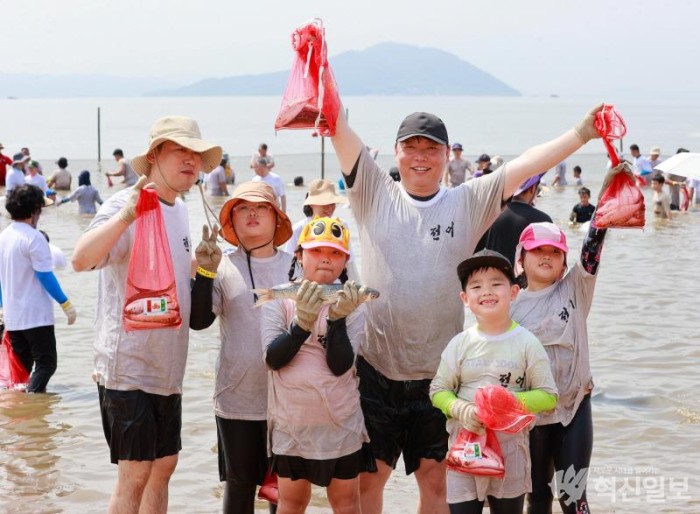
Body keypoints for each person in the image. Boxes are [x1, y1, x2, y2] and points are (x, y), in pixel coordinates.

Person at [329, 101, 603, 513]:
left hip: (443, 375)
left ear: (446, 156)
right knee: (370, 483)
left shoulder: (467, 201)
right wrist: (322, 77)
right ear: (395, 152)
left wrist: (581, 134)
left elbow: (525, 164)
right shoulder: (374, 191)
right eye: (412, 148)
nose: (421, 157)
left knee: (437, 486)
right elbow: (340, 132)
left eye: (431, 149)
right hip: (376, 369)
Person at [71, 116, 222, 513]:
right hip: (127, 365)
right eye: (180, 151)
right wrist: (126, 217)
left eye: (196, 154)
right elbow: (81, 260)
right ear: (154, 156)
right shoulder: (127, 202)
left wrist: (203, 269)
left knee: (164, 465)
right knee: (135, 471)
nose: (190, 161)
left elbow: (173, 278)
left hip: (167, 368)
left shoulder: (182, 210)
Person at [190, 181, 293, 514]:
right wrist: (204, 272)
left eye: (261, 207)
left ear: (277, 218)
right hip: (236, 400)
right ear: (230, 222)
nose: (251, 212)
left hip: (290, 401)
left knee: (285, 490)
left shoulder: (297, 266)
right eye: (242, 208)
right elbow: (199, 320)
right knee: (239, 486)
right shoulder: (221, 264)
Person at [430, 249, 557, 514]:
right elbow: (438, 390)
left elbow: (548, 396)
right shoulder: (460, 344)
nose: (486, 291)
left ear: (513, 292)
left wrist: (508, 401)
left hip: (511, 454)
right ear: (465, 298)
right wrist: (462, 409)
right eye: (476, 286)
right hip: (465, 448)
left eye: (496, 283)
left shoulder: (527, 343)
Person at [509, 207, 618, 513]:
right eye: (538, 250)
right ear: (521, 258)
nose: (546, 256)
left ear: (563, 263)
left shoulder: (575, 288)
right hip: (530, 416)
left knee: (572, 495)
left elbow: (592, 249)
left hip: (574, 408)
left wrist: (603, 210)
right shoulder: (509, 305)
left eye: (555, 252)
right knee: (538, 496)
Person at [261, 216, 370, 513]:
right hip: (291, 424)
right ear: (299, 255)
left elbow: (341, 366)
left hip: (341, 423)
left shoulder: (352, 302)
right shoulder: (279, 298)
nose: (326, 259)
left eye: (335, 253)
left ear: (345, 261)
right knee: (291, 503)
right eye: (317, 251)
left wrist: (336, 319)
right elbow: (273, 359)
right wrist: (302, 323)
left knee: (347, 503)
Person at [0, 184, 76, 393]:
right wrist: (65, 303)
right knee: (46, 364)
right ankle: (32, 401)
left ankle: (21, 411)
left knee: (22, 368)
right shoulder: (34, 238)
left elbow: (1, 278)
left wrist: (1, 307)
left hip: (13, 317)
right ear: (34, 210)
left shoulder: (4, 236)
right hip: (35, 316)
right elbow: (44, 275)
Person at [282, 178, 359, 281]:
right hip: (305, 288)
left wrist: (355, 289)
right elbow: (288, 266)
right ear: (310, 204)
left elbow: (350, 264)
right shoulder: (297, 230)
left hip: (336, 287)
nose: (330, 208)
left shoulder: (341, 226)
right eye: (325, 203)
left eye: (333, 203)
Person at [475, 173, 552, 265]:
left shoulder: (490, 214)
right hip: (526, 278)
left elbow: (475, 251)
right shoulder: (543, 220)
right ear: (533, 188)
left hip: (495, 275)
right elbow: (549, 258)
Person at [251, 144, 286, 212]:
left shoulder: (276, 178)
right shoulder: (254, 180)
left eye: (256, 167)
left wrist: (284, 212)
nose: (254, 169)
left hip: (274, 209)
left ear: (262, 167)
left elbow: (282, 196)